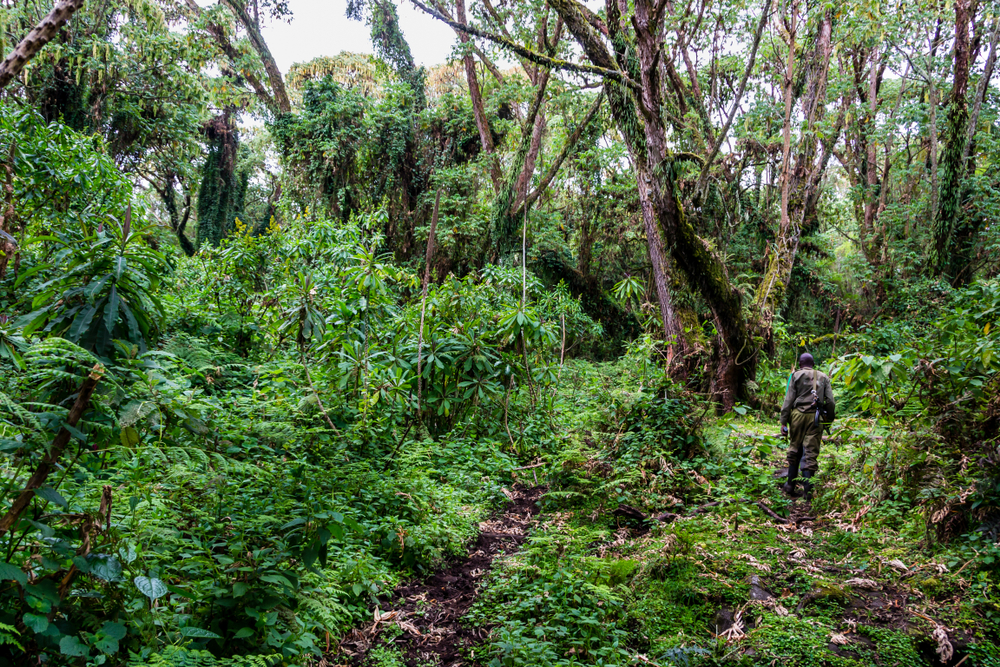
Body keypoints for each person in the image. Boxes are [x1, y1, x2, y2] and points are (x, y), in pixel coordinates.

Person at [779, 352, 835, 497]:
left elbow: (788, 400)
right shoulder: (823, 377)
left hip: (797, 416)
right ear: (813, 364)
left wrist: (783, 422)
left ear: (800, 364)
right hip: (815, 417)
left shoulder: (795, 376)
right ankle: (808, 491)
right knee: (810, 452)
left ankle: (790, 485)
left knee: (794, 448)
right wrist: (829, 419)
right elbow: (830, 401)